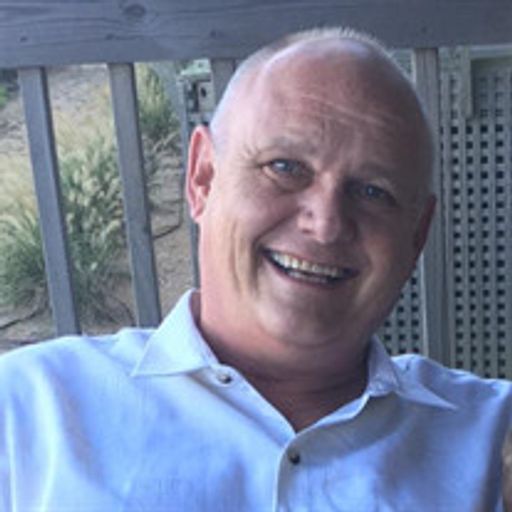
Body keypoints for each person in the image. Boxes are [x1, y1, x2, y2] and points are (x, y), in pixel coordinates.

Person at [0, 27, 511, 511]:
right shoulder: (29, 411)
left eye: (373, 191)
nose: (326, 224)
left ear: (417, 234)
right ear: (203, 178)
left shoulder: (493, 439)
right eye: (285, 168)